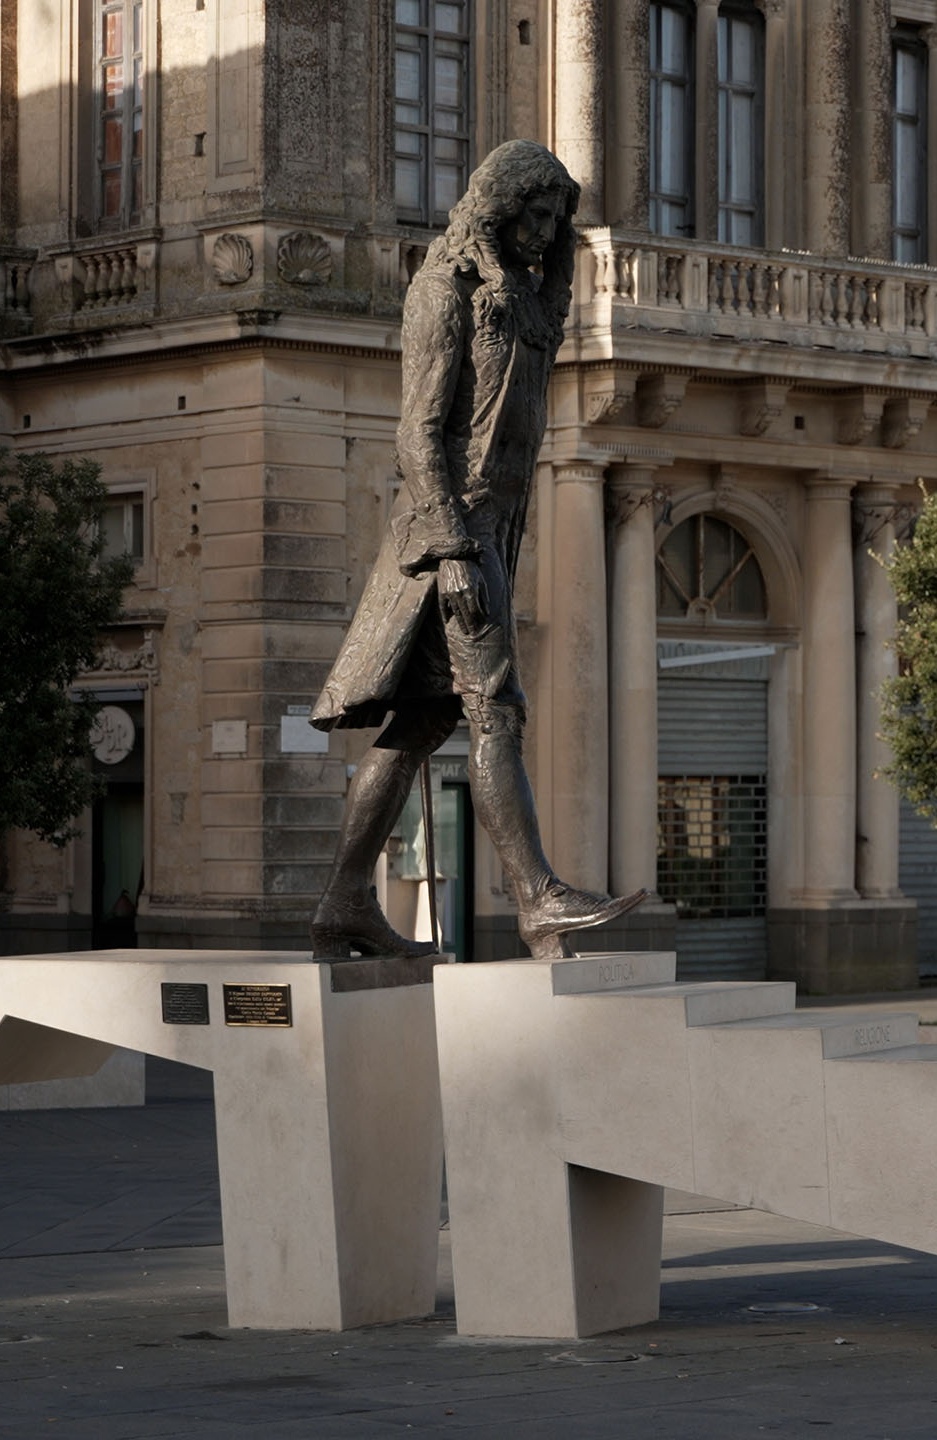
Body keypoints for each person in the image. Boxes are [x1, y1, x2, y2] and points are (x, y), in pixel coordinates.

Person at [305, 141, 645, 959]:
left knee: (423, 723)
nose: (545, 232)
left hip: (493, 530)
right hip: (451, 534)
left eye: (555, 219)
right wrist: (455, 549)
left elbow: (555, 296)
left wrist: (565, 233)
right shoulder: (440, 292)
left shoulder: (523, 300)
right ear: (498, 207)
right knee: (498, 710)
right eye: (534, 214)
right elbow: (416, 436)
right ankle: (538, 899)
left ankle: (344, 902)